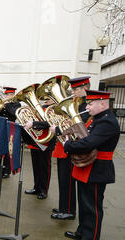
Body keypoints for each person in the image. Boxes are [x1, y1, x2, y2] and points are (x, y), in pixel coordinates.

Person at [63, 90, 119, 240]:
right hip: (88, 166)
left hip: (97, 169)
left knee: (92, 205)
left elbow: (89, 143)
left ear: (103, 103)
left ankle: (90, 237)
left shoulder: (107, 122)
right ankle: (82, 231)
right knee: (83, 202)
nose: (87, 106)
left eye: (90, 103)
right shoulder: (97, 119)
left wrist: (68, 146)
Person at [49, 76, 92, 219]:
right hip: (67, 145)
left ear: (85, 88)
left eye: (75, 89)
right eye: (72, 89)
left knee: (67, 180)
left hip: (75, 146)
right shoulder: (76, 103)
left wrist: (60, 130)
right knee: (63, 179)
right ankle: (64, 206)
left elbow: (80, 127)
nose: (72, 92)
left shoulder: (87, 105)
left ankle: (68, 211)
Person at [24, 98, 57, 200]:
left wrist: (34, 124)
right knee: (36, 166)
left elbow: (50, 122)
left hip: (47, 142)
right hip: (36, 140)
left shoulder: (56, 109)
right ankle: (36, 187)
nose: (45, 99)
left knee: (44, 167)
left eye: (48, 97)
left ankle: (43, 190)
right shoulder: (41, 108)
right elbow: (34, 119)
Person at [0, 87, 21, 178]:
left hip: (11, 129)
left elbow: (14, 114)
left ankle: (7, 171)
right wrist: (0, 109)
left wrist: (7, 105)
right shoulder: (3, 104)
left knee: (9, 151)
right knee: (0, 148)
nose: (7, 96)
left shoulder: (17, 104)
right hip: (1, 128)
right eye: (6, 94)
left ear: (13, 94)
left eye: (9, 94)